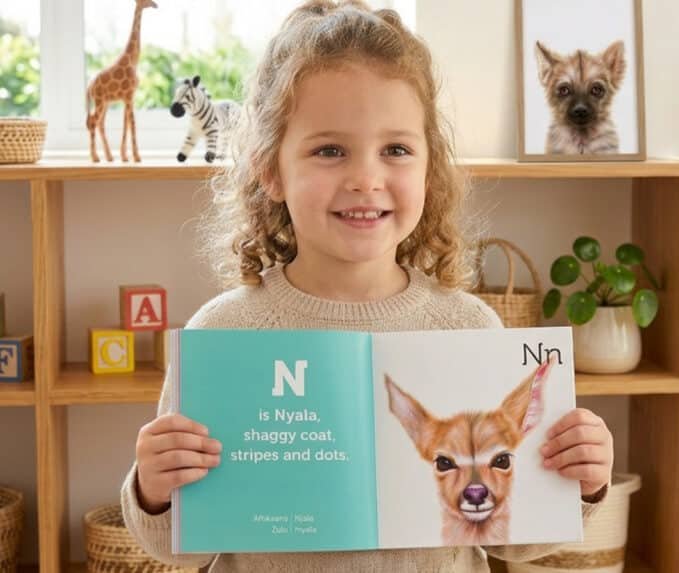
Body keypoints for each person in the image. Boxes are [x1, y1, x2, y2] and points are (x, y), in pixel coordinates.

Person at [120, 1, 614, 571]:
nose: (365, 178)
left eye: (396, 150)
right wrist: (153, 490)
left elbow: (513, 541)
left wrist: (582, 483)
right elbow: (179, 549)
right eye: (329, 150)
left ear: (429, 170)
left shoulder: (469, 329)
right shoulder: (223, 333)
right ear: (270, 169)